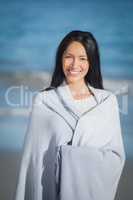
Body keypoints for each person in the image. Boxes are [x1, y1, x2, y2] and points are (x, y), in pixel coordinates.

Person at [15, 30, 125, 200]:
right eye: (69, 57)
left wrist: (69, 157)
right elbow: (32, 160)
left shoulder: (107, 102)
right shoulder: (44, 100)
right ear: (61, 59)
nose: (74, 64)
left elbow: (116, 158)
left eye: (82, 58)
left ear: (91, 62)